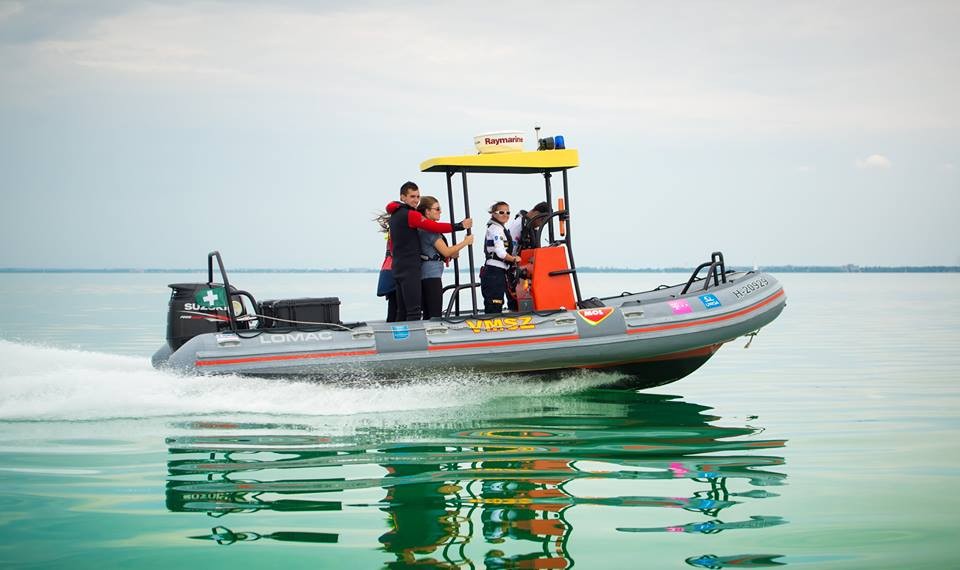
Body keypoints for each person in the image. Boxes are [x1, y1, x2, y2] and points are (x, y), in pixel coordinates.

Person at [387, 181, 472, 321]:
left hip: (400, 267)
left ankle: (400, 333)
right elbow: (434, 227)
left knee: (403, 311)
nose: (416, 200)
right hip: (412, 269)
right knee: (415, 312)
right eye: (412, 196)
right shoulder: (410, 215)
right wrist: (460, 226)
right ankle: (414, 336)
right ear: (402, 197)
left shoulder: (395, 216)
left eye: (417, 196)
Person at [417, 196, 474, 319]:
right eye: (437, 209)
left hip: (426, 274)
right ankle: (435, 330)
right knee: (434, 313)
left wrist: (451, 254)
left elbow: (439, 252)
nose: (440, 212)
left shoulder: (422, 229)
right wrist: (465, 242)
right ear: (427, 211)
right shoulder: (429, 231)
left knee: (428, 312)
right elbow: (446, 251)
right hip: (431, 276)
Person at [503, 201, 551, 310]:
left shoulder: (530, 227)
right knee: (515, 303)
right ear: (536, 213)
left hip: (527, 271)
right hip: (514, 271)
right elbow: (510, 249)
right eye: (541, 221)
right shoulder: (519, 225)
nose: (540, 225)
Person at [480, 201, 519, 314]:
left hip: (499, 271)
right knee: (494, 305)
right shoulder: (496, 229)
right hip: (494, 272)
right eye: (501, 212)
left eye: (508, 212)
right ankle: (492, 323)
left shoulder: (499, 228)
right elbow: (501, 253)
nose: (505, 215)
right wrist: (514, 259)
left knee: (497, 303)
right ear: (493, 214)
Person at [373, 213, 398, 322]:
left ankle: (391, 323)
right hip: (395, 269)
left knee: (393, 303)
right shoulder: (396, 232)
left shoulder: (391, 231)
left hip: (388, 269)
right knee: (396, 303)